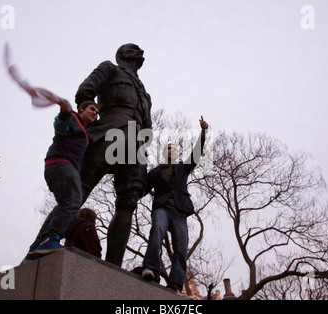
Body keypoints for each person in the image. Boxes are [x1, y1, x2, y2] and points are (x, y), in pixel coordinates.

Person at [74, 43, 152, 267]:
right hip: (108, 131)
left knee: (128, 202)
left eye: (139, 50)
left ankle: (113, 267)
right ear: (121, 54)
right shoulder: (109, 68)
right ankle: (44, 243)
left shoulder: (145, 94)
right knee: (79, 189)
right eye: (132, 48)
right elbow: (85, 91)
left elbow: (148, 125)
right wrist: (90, 116)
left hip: (135, 143)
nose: (138, 51)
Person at [23, 99, 99, 261]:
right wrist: (64, 112)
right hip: (61, 165)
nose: (95, 113)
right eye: (92, 109)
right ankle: (51, 238)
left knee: (65, 207)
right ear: (81, 109)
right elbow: (60, 125)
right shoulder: (72, 118)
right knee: (73, 202)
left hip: (62, 168)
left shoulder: (84, 133)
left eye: (97, 112)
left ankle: (34, 249)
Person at [141, 116, 208, 294]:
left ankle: (176, 285)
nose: (171, 151)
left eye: (173, 149)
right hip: (162, 208)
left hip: (179, 212)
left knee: (180, 248)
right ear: (165, 153)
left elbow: (196, 153)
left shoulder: (183, 168)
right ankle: (151, 269)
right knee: (157, 230)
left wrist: (203, 133)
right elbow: (142, 189)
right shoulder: (155, 172)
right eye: (168, 149)